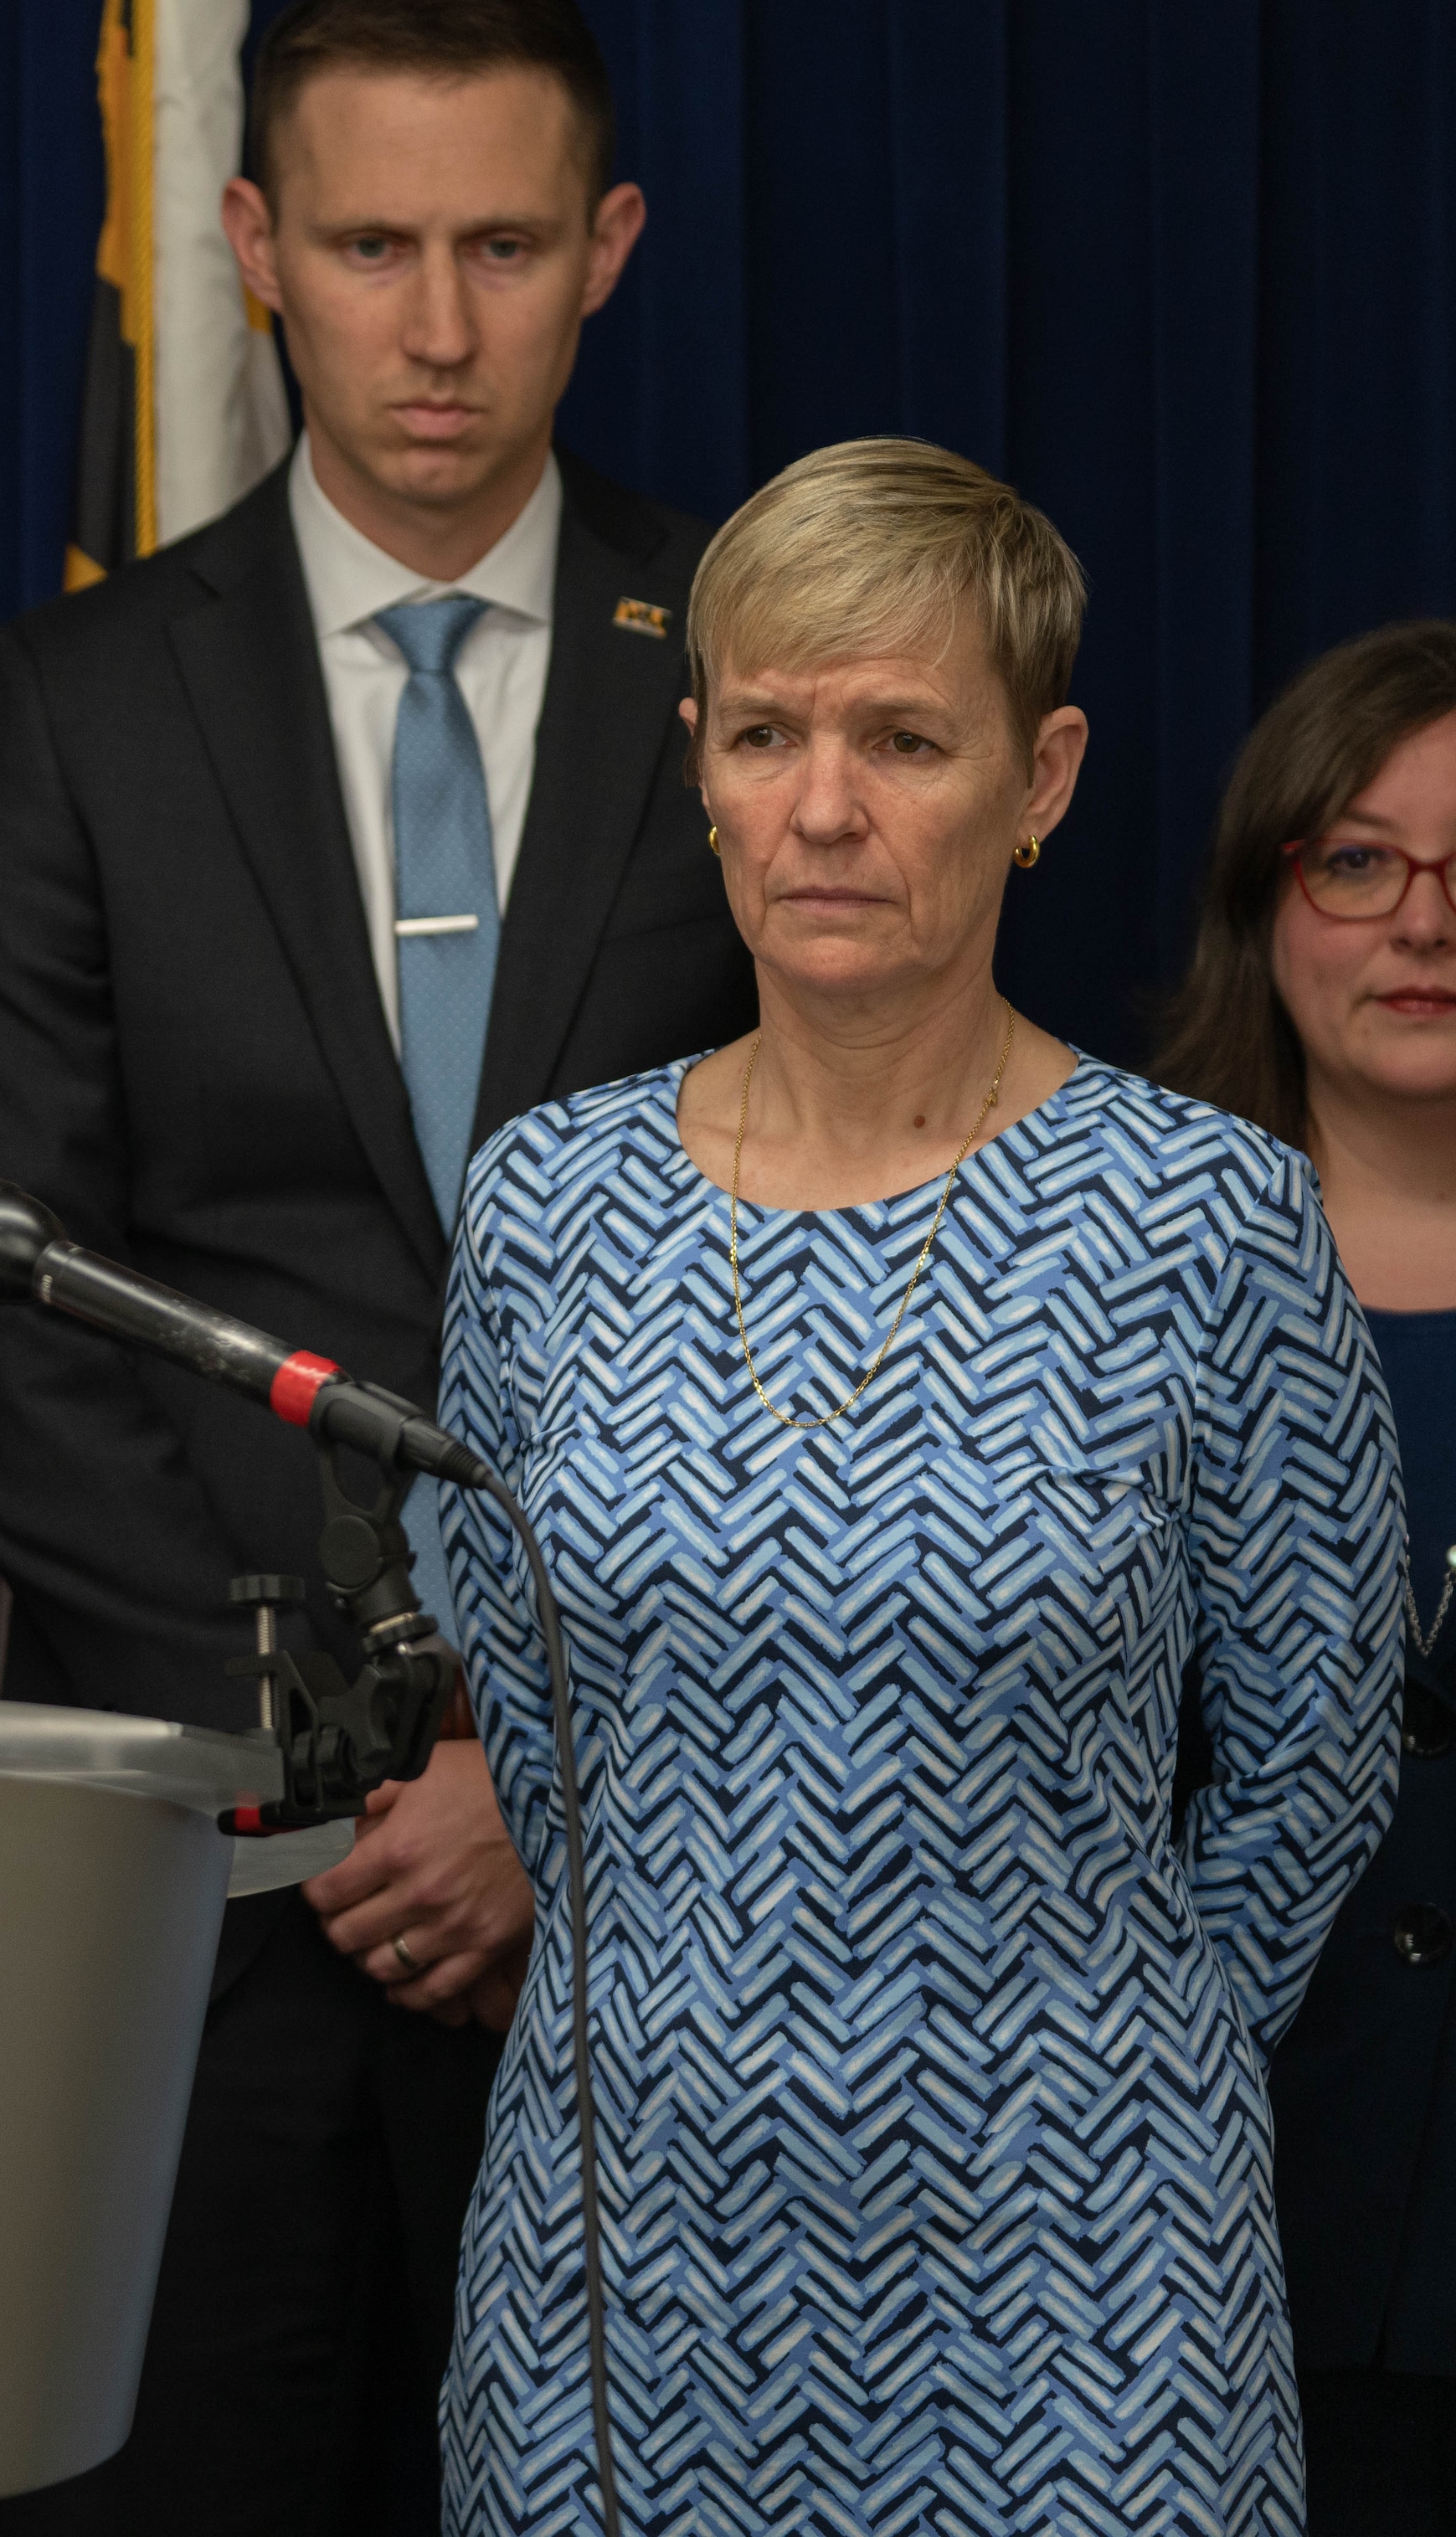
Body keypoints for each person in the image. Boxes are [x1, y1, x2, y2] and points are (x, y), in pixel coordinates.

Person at [0, 0, 748, 2529]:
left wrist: (545, 1768)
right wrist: (368, 1775)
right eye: (373, 250)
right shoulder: (79, 704)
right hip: (236, 1882)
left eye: (505, 248)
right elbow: (3, 1294)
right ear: (255, 244)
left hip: (668, 1859)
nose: (440, 325)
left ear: (608, 247)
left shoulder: (760, 668)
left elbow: (849, 1256)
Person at [433, 440, 1398, 2531]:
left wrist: (1089, 2067)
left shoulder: (1205, 1219)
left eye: (902, 738)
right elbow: (528, 1719)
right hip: (622, 2271)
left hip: (1088, 2291)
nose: (825, 808)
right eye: (767, 733)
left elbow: (1313, 1766)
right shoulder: (543, 1211)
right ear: (695, 762)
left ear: (1040, 781)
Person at [1151, 620, 1456, 2534]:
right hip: (1197, 2228)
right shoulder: (1110, 1277)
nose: (1422, 924)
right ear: (1266, 896)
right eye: (1358, 860)